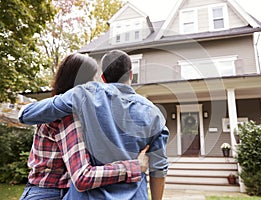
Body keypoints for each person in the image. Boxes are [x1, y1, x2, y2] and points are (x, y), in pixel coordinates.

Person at [19, 50, 169, 200]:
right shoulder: (154, 114)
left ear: (103, 77)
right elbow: (158, 169)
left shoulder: (84, 98)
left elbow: (26, 115)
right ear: (131, 74)